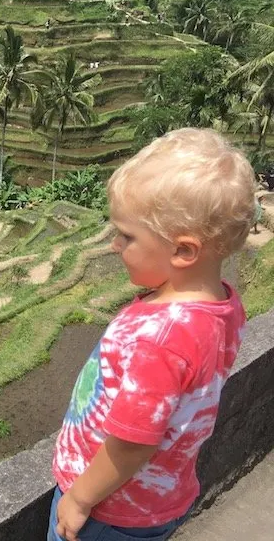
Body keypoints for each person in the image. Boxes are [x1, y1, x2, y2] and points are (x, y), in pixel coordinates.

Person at [49, 128, 256, 541]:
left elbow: (132, 443)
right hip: (157, 501)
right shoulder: (220, 306)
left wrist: (80, 499)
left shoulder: (160, 339)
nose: (113, 245)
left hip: (109, 511)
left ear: (183, 251)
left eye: (127, 236)